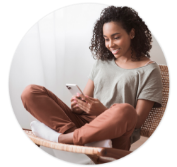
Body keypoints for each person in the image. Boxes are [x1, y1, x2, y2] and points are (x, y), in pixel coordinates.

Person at [21, 6, 162, 151]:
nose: (110, 44)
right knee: (30, 92)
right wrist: (78, 106)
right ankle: (78, 137)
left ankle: (62, 138)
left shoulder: (149, 70)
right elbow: (85, 100)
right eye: (106, 39)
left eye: (116, 37)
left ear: (132, 33)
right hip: (85, 125)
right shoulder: (102, 63)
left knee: (126, 110)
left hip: (115, 133)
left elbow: (137, 121)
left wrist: (102, 111)